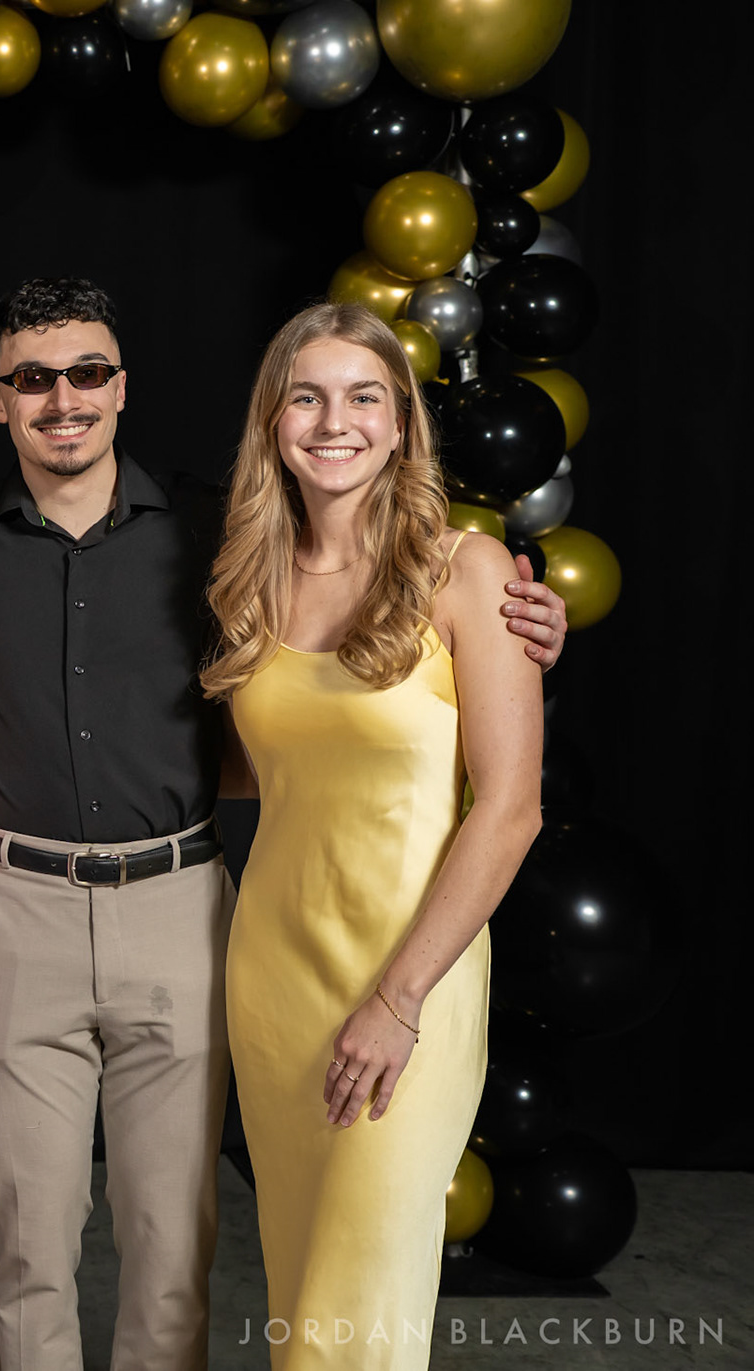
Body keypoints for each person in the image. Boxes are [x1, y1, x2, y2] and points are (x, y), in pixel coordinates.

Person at [0, 279, 567, 1371]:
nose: (64, 399)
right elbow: (272, 756)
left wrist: (523, 635)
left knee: (206, 1260)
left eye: (88, 373)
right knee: (42, 1249)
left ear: (123, 387)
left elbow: (504, 797)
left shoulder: (228, 533)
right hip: (190, 944)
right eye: (34, 378)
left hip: (253, 927)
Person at [202, 303, 541, 1367]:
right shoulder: (248, 581)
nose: (333, 421)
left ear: (400, 423)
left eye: (363, 397)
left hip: (410, 980)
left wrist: (398, 1000)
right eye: (306, 397)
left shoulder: (468, 571)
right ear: (273, 423)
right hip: (274, 975)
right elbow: (266, 778)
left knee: (360, 1309)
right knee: (303, 1284)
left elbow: (511, 808)